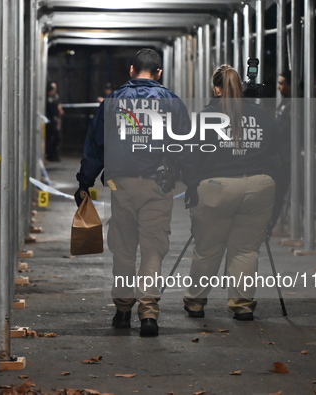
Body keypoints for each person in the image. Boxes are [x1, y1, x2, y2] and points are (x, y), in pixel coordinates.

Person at [74, 48, 190, 337]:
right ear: (159, 73)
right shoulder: (172, 102)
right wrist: (192, 181)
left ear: (131, 70)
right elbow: (187, 145)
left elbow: (96, 145)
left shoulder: (113, 101)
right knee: (153, 248)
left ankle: (123, 310)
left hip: (121, 185)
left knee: (124, 248)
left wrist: (84, 182)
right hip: (158, 185)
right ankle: (149, 313)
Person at [181, 65, 279, 321]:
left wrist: (192, 186)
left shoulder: (204, 116)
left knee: (207, 249)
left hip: (217, 188)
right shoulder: (264, 117)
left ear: (216, 88)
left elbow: (190, 157)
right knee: (246, 250)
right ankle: (242, 305)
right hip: (259, 186)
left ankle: (196, 302)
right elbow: (277, 156)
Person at [270, 70, 292, 229]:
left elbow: (283, 130)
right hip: (279, 157)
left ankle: (270, 225)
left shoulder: (292, 104)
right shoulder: (284, 103)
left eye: (282, 83)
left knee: (278, 193)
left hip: (286, 158)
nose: (278, 87)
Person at [45, 81, 64, 162]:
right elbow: (52, 109)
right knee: (51, 138)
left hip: (54, 120)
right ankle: (50, 155)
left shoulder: (55, 97)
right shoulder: (48, 99)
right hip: (51, 120)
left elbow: (57, 106)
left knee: (56, 138)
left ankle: (53, 155)